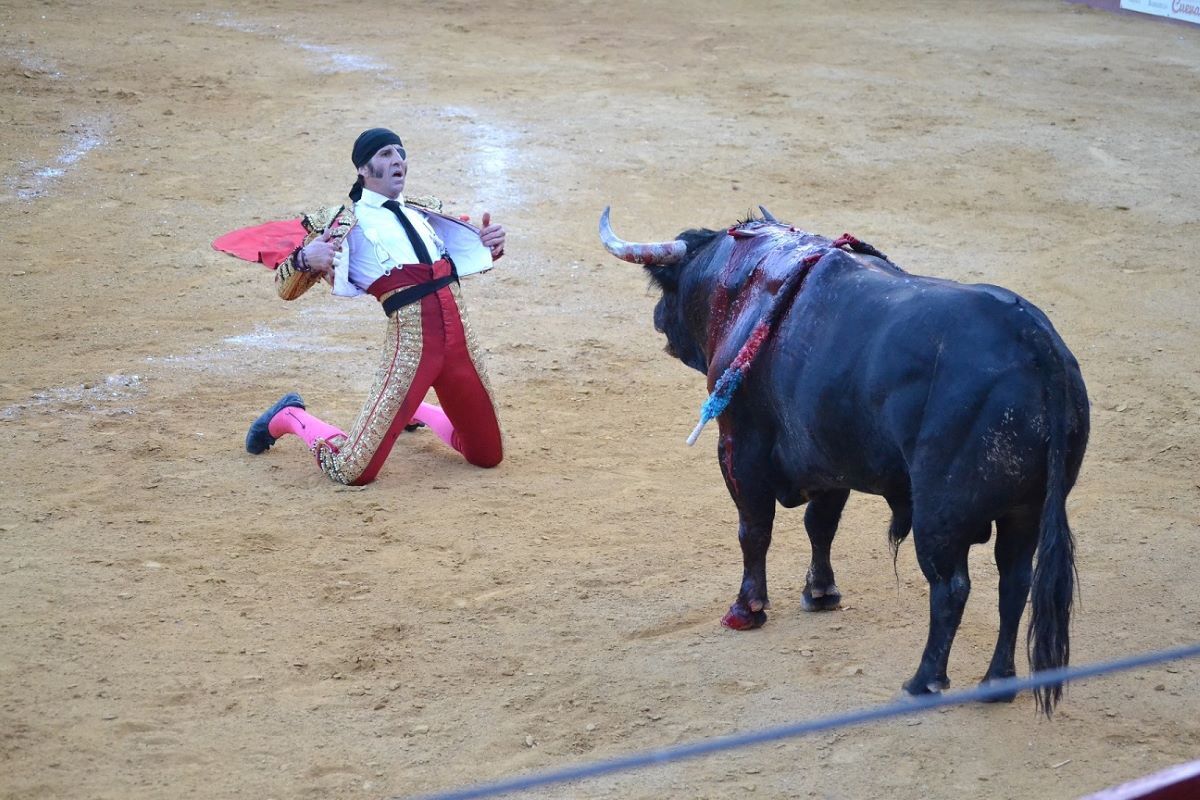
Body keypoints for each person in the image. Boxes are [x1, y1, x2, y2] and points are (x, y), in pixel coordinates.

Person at [244, 127, 505, 485]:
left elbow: (464, 258)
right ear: (363, 169)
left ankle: (414, 409)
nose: (398, 160)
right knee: (351, 470)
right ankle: (289, 415)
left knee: (487, 456)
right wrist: (305, 258)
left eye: (400, 153)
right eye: (385, 154)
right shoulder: (346, 225)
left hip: (461, 346)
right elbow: (285, 289)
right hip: (411, 352)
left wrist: (489, 243)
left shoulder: (424, 213)